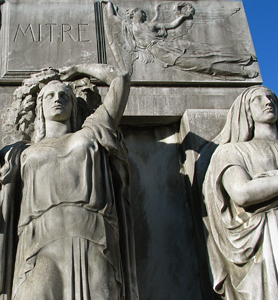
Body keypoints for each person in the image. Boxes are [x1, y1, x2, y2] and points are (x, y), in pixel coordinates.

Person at [0, 64, 138, 300]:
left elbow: (120, 79)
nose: (57, 99)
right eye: (49, 95)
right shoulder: (20, 152)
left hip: (94, 238)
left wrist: (80, 68)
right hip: (36, 243)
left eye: (64, 96)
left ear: (74, 105)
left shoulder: (91, 133)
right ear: (39, 106)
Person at [202, 85, 278, 299]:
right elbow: (242, 193)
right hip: (267, 239)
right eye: (258, 99)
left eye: (271, 97)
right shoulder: (231, 151)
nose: (267, 102)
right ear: (246, 110)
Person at [103, 1, 258, 79]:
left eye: (142, 13)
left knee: (206, 51)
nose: (142, 15)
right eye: (139, 13)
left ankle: (243, 57)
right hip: (163, 53)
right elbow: (112, 17)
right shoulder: (128, 26)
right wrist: (108, 3)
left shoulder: (151, 24)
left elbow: (170, 25)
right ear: (133, 15)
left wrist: (182, 17)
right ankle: (241, 72)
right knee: (202, 64)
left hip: (170, 45)